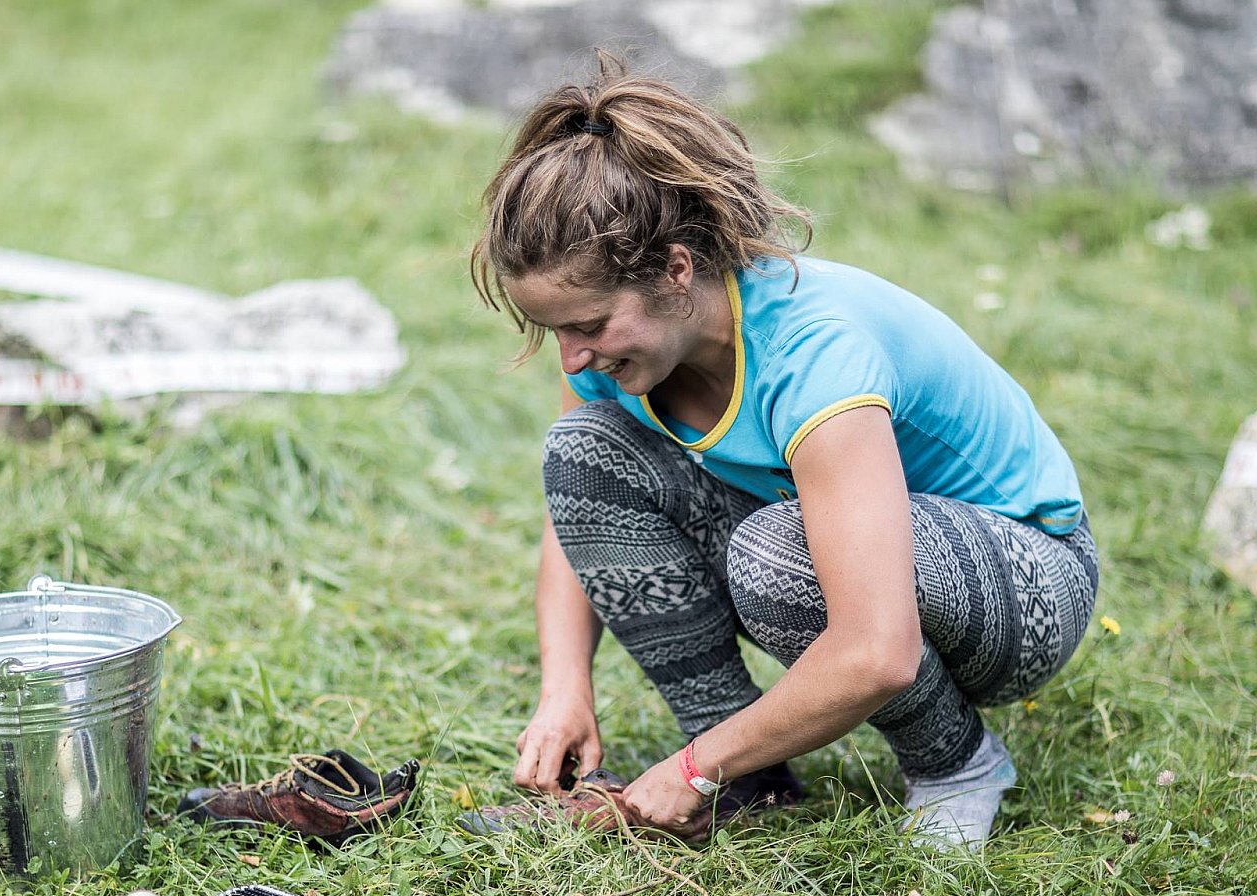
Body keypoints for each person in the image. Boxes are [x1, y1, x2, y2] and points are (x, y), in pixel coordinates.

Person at [466, 57, 1100, 850]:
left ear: (676, 271)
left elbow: (877, 649)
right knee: (582, 450)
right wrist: (565, 688)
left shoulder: (812, 352)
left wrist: (691, 766)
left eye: (588, 325)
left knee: (776, 554)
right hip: (850, 551)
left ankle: (957, 764)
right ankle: (751, 780)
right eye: (555, 329)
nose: (571, 356)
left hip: (1030, 583)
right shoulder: (621, 356)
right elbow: (577, 512)